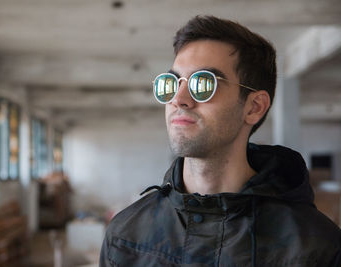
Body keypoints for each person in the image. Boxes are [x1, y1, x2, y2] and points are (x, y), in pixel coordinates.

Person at [99, 15, 341, 266]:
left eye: (202, 84)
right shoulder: (125, 237)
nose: (179, 99)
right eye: (171, 84)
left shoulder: (316, 249)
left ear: (254, 107)